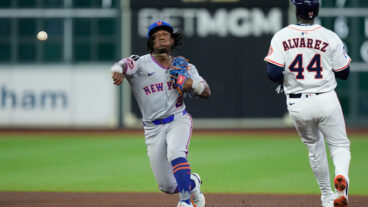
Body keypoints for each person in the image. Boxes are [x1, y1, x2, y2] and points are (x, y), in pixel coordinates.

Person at [110, 21, 211, 207]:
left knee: (175, 152)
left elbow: (206, 92)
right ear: (151, 43)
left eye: (165, 34)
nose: (161, 37)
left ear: (172, 41)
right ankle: (193, 182)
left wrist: (188, 83)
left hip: (178, 119)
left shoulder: (185, 67)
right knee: (166, 186)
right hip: (152, 128)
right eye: (156, 36)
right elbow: (123, 64)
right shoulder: (141, 63)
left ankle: (185, 202)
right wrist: (117, 70)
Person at [264, 1, 351, 207]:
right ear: (316, 10)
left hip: (298, 104)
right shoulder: (329, 36)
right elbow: (344, 73)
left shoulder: (282, 36)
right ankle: (341, 181)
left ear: (296, 10)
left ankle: (327, 196)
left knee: (314, 148)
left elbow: (273, 73)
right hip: (326, 98)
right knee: (339, 145)